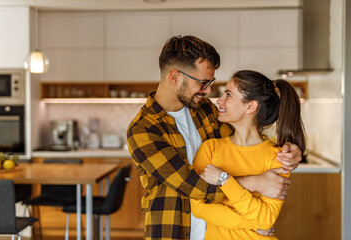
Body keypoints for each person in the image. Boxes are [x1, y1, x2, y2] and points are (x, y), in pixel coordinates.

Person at [127, 35, 302, 240]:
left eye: (211, 82)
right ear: (175, 77)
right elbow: (192, 185)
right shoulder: (144, 129)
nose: (208, 91)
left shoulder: (205, 110)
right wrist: (254, 184)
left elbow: (244, 147)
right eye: (202, 83)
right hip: (173, 232)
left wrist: (290, 150)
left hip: (219, 232)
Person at [190, 70, 306, 239]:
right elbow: (199, 207)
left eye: (228, 94)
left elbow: (266, 219)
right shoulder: (210, 148)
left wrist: (225, 180)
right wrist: (252, 224)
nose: (220, 101)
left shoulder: (279, 157)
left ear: (250, 106)